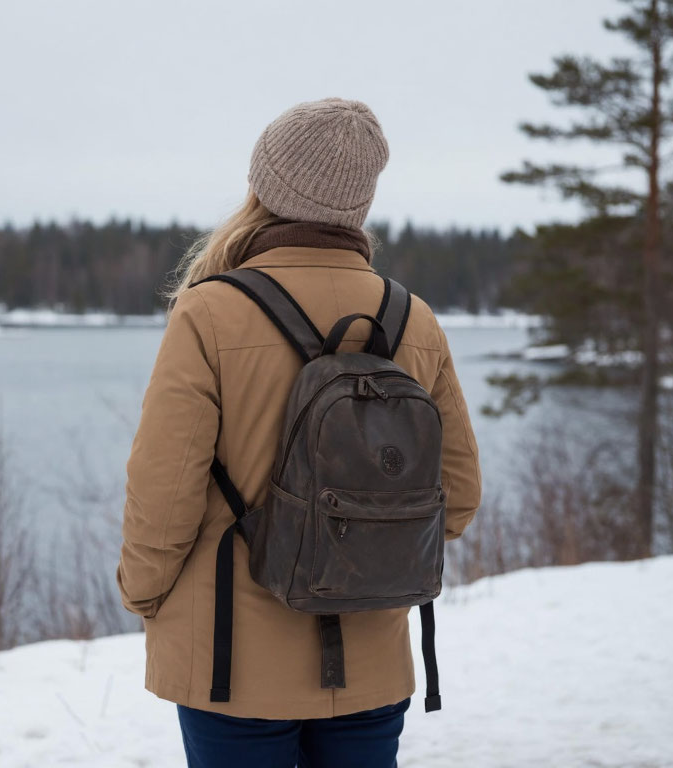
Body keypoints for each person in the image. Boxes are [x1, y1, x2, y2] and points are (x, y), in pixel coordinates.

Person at [115, 98, 483, 768]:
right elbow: (456, 498)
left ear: (263, 188)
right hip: (371, 657)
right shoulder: (413, 320)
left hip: (232, 661)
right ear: (357, 204)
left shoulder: (210, 312)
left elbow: (162, 492)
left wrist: (144, 594)